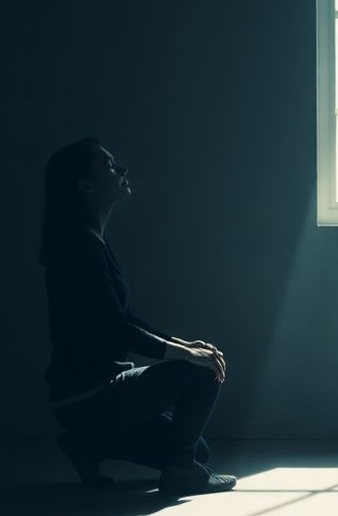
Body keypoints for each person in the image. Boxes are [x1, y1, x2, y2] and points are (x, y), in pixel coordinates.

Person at [38, 137, 236, 497]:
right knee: (204, 369)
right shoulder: (78, 248)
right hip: (87, 397)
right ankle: (178, 473)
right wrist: (185, 356)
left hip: (97, 393)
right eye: (110, 166)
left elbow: (124, 317)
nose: (122, 169)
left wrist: (179, 344)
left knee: (197, 449)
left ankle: (88, 446)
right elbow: (115, 328)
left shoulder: (92, 240)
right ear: (85, 184)